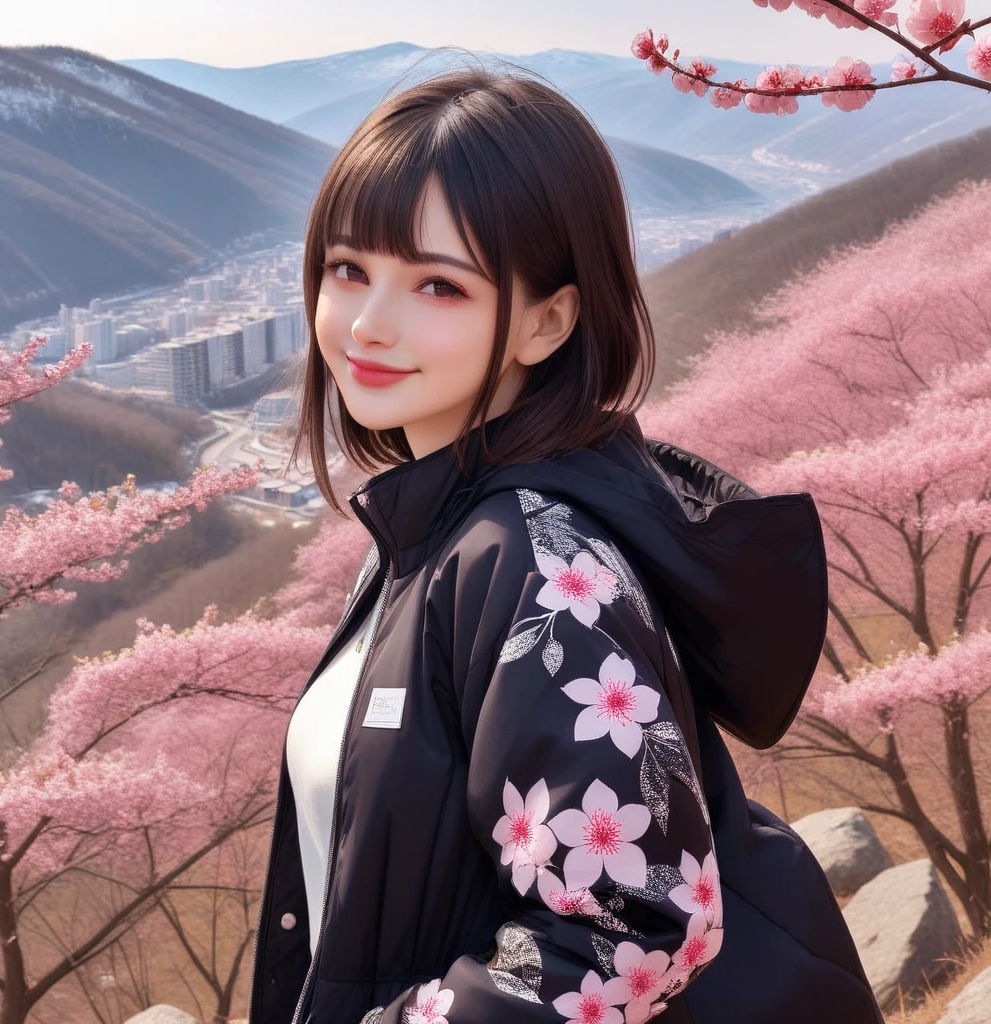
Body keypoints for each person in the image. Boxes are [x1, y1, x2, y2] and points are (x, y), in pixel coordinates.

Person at [248, 56, 884, 1024]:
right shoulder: (438, 524)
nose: (369, 324)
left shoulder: (534, 558)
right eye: (349, 269)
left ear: (546, 322)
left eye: (439, 286)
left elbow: (639, 924)